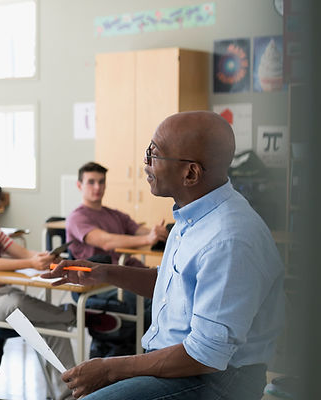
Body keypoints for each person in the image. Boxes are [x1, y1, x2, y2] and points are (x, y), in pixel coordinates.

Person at [43, 111, 285, 399]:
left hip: (216, 380)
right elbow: (174, 284)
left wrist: (109, 369)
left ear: (190, 173)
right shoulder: (194, 217)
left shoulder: (228, 239)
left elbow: (204, 355)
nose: (146, 163)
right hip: (183, 366)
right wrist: (103, 272)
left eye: (154, 155)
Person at [0, 176, 119, 399]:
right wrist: (30, 263)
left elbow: (24, 254)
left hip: (6, 298)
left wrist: (46, 258)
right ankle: (74, 315)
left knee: (54, 329)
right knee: (15, 302)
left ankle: (73, 394)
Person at [67, 162, 168, 267]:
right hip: (98, 275)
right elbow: (106, 242)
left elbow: (139, 230)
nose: (97, 187)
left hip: (124, 267)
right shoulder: (76, 218)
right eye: (91, 182)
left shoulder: (115, 215)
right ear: (79, 185)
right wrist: (148, 239)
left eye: (101, 182)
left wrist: (160, 233)